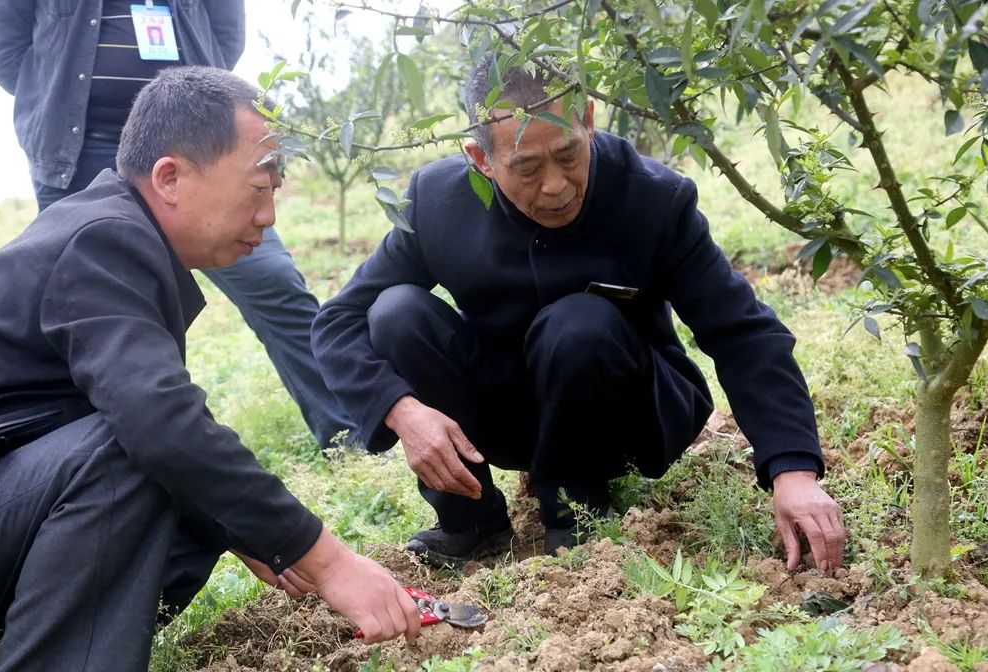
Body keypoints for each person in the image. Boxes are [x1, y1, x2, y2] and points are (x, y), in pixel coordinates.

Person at [0, 66, 419, 672]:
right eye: (258, 188)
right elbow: (156, 423)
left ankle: (12, 649)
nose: (268, 216)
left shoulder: (116, 232)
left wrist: (258, 535)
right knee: (138, 451)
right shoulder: (105, 240)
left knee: (200, 501)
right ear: (170, 177)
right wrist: (326, 560)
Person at [312, 56, 847, 570]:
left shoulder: (654, 198)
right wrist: (401, 410)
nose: (556, 185)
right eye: (526, 167)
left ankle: (578, 511)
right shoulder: (438, 201)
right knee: (395, 312)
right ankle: (469, 519)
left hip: (630, 409)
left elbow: (742, 333)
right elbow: (339, 320)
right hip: (508, 412)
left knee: (579, 324)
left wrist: (792, 467)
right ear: (482, 161)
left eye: (569, 154)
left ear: (588, 121)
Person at [0, 0, 358, 450]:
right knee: (90, 308)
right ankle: (91, 451)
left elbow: (225, 33)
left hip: (196, 149)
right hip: (77, 152)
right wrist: (57, 93)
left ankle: (348, 429)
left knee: (271, 277)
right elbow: (2, 49)